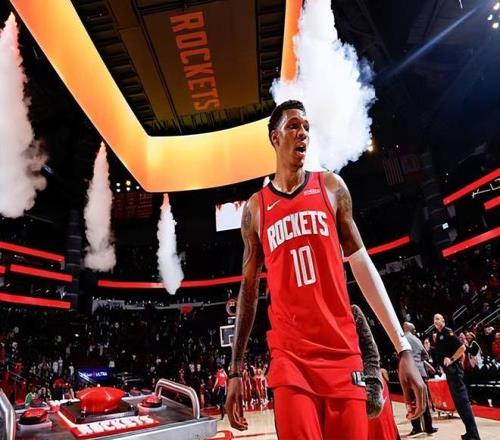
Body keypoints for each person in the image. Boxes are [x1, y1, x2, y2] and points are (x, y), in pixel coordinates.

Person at [225, 100, 426, 439]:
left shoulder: (332, 187)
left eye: (306, 126)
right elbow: (249, 290)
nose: (302, 132)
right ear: (275, 137)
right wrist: (234, 370)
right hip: (291, 360)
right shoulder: (256, 208)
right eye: (293, 126)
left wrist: (403, 347)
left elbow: (362, 264)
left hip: (343, 354)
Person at [433, 314, 480, 440]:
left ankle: (474, 435)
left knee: (463, 402)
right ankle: (470, 432)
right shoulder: (439, 335)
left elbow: (462, 348)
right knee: (459, 404)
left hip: (454, 371)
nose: (435, 321)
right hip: (449, 372)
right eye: (434, 319)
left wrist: (452, 359)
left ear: (443, 320)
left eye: (437, 318)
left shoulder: (448, 332)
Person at [403, 322, 437, 436]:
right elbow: (426, 355)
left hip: (410, 373)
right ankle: (429, 427)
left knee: (412, 401)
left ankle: (416, 428)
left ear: (405, 329)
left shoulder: (402, 339)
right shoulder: (417, 340)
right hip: (421, 373)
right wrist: (418, 361)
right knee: (424, 399)